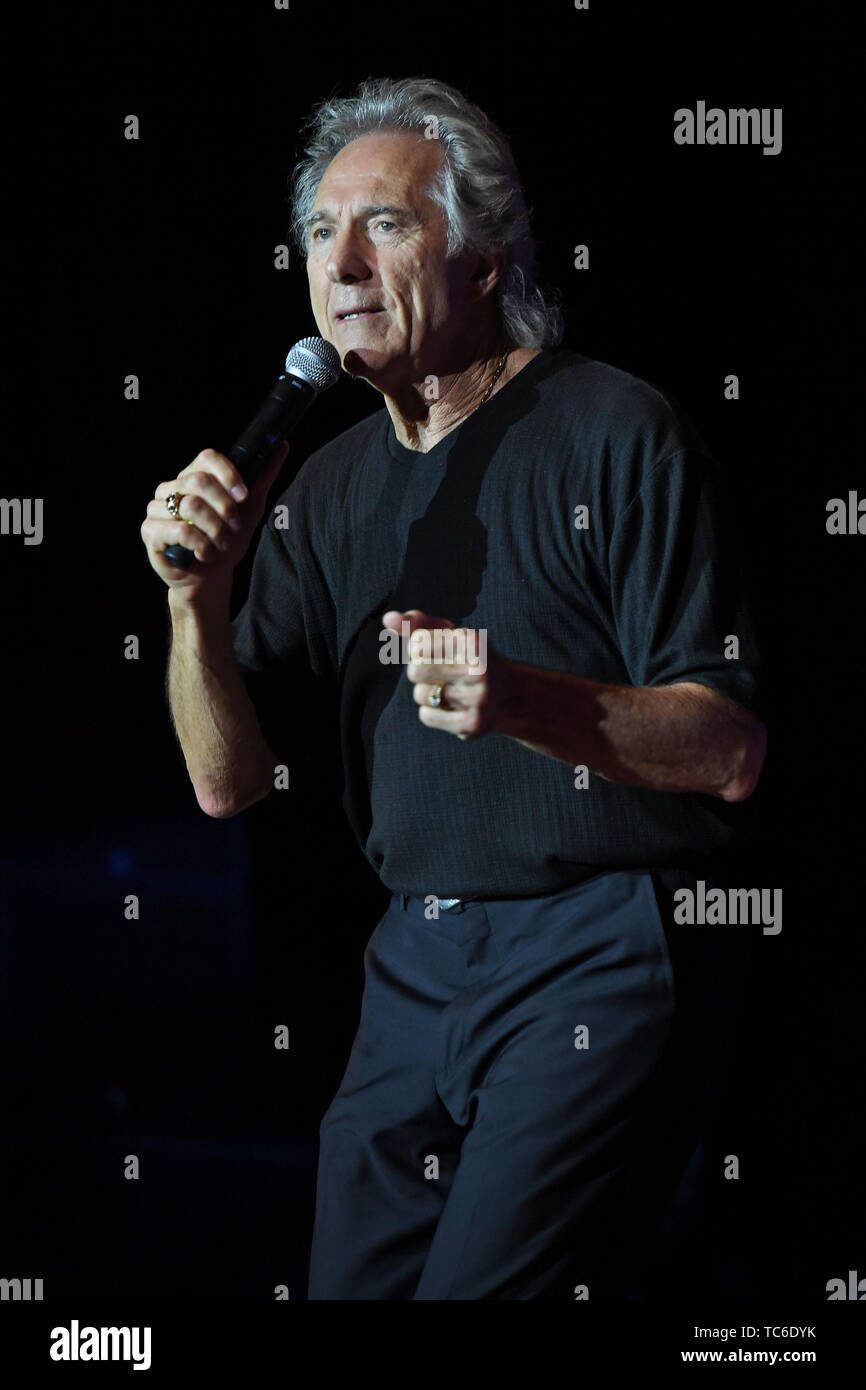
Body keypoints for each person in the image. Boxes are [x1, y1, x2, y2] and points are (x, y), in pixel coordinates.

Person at [141, 76, 768, 1300]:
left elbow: (729, 748)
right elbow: (226, 782)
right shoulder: (323, 490)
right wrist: (192, 602)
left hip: (595, 945)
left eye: (385, 223)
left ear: (483, 257)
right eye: (319, 232)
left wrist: (521, 700)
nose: (342, 259)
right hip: (415, 957)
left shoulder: (611, 429)